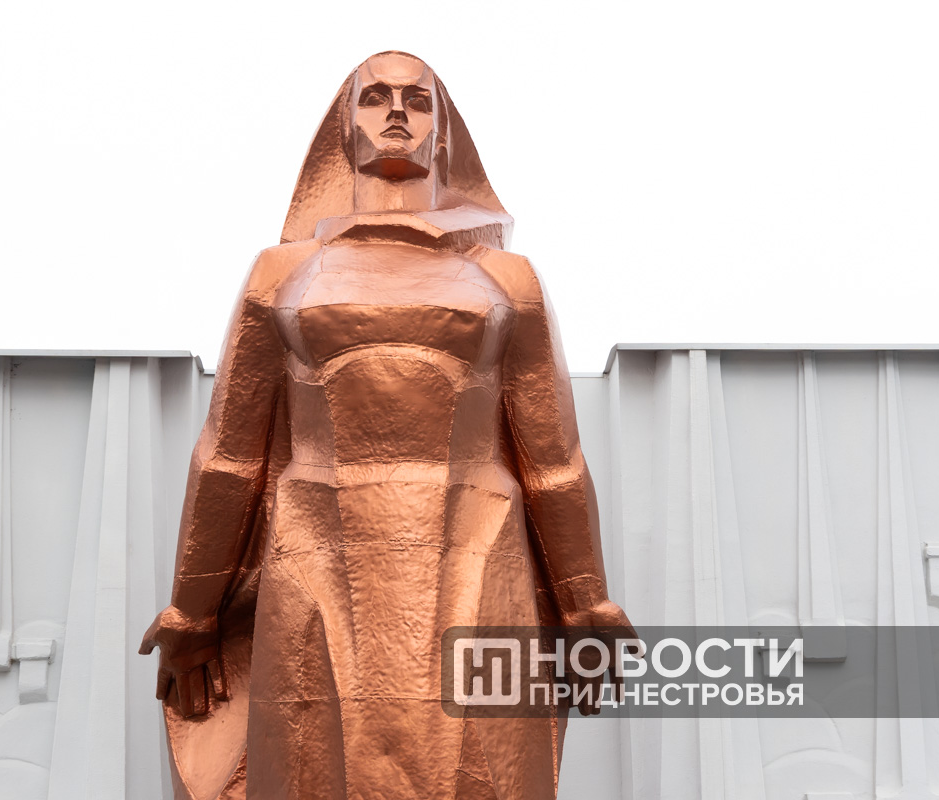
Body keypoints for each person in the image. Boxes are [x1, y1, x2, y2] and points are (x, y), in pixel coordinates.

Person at [140, 51, 634, 800]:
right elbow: (232, 453)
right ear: (344, 131)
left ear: (444, 135)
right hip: (315, 541)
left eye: (418, 99)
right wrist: (192, 607)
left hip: (478, 539)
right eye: (374, 98)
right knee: (311, 762)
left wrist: (583, 598)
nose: (397, 112)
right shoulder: (282, 271)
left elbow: (553, 459)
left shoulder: (509, 277)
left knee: (481, 762)